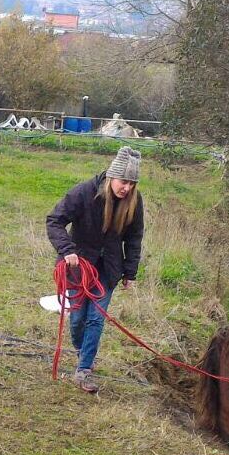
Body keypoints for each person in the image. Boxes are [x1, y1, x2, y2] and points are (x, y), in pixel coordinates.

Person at [46, 146, 145, 393]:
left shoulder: (134, 202)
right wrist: (67, 249)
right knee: (78, 319)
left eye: (132, 184)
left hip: (109, 270)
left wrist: (130, 272)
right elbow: (55, 220)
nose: (127, 188)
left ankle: (84, 369)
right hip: (78, 267)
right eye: (124, 182)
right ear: (112, 176)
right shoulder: (84, 192)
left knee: (95, 319)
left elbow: (134, 237)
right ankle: (82, 352)